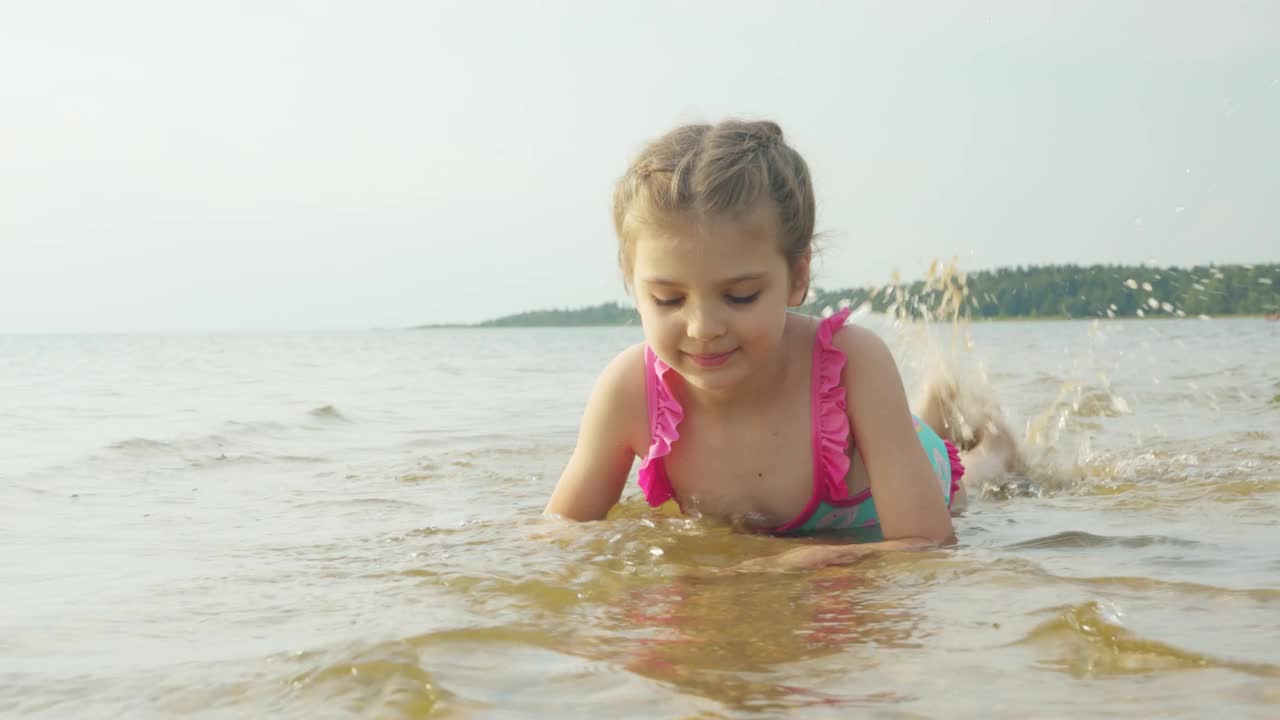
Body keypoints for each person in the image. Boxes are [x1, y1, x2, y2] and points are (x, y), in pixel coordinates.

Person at [545, 120, 1022, 570]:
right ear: (632, 286)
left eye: (740, 296)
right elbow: (559, 531)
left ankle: (994, 445)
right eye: (668, 299)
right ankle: (935, 405)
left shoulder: (855, 364)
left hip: (892, 490)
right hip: (867, 454)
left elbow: (927, 542)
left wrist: (798, 566)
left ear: (798, 277)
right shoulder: (629, 391)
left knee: (975, 482)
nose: (704, 326)